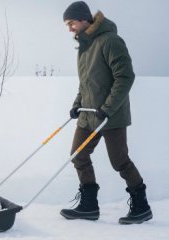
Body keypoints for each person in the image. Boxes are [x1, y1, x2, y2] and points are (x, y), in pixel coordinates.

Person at [60, 1, 152, 224]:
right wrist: (76, 104)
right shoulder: (84, 46)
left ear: (83, 19)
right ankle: (89, 206)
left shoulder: (110, 41)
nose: (70, 28)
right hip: (89, 114)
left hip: (111, 115)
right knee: (78, 155)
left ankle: (141, 206)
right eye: (67, 25)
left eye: (71, 23)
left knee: (119, 161)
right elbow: (86, 83)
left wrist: (107, 108)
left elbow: (125, 77)